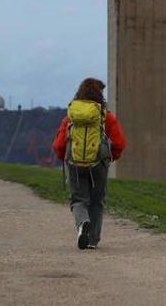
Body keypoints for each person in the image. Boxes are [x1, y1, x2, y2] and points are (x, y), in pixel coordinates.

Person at [52, 77, 127, 250]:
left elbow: (58, 145)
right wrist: (109, 158)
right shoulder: (106, 117)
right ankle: (92, 239)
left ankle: (82, 224)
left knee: (78, 199)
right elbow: (119, 143)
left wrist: (67, 158)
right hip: (98, 164)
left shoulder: (71, 117)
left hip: (75, 163)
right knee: (97, 201)